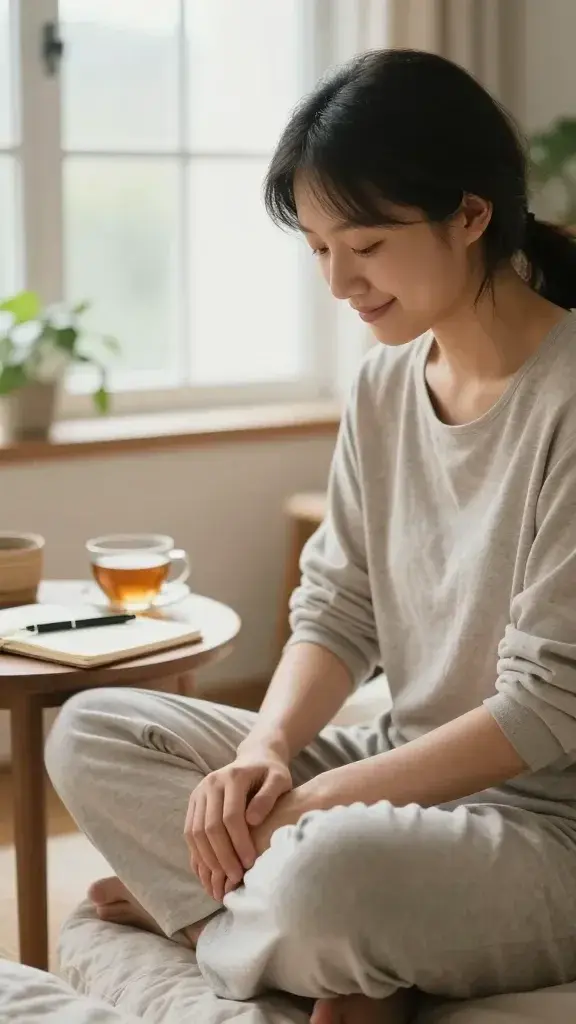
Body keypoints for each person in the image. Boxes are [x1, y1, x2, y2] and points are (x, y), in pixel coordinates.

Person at [46, 48, 576, 1024]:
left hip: (547, 827)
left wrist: (308, 812)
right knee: (91, 731)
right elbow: (337, 607)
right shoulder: (383, 383)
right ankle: (304, 942)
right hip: (399, 762)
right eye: (318, 247)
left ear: (469, 215)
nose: (338, 282)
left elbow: (543, 712)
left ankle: (220, 923)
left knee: (324, 874)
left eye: (365, 246)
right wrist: (268, 752)